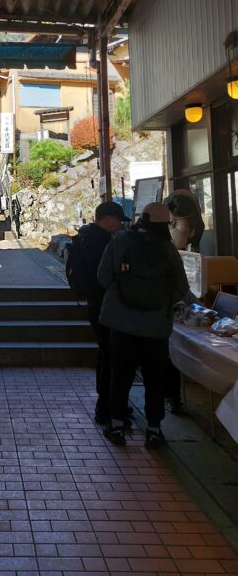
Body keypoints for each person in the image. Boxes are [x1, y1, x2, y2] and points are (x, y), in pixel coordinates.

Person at [97, 202, 189, 449]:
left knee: (120, 375)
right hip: (155, 328)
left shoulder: (120, 241)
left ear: (142, 219)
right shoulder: (168, 250)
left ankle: (117, 426)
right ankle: (154, 429)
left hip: (122, 323)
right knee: (154, 378)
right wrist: (162, 301)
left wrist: (120, 294)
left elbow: (103, 276)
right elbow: (181, 288)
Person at [75, 201, 131, 424]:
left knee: (106, 355)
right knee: (112, 357)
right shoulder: (101, 242)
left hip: (95, 304)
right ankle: (107, 408)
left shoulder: (86, 236)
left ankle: (108, 404)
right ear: (107, 219)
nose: (120, 226)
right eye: (118, 221)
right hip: (104, 306)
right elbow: (104, 277)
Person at [163, 189, 205, 415]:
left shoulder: (185, 253)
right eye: (182, 228)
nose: (187, 235)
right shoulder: (163, 252)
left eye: (191, 229)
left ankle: (171, 396)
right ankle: (170, 396)